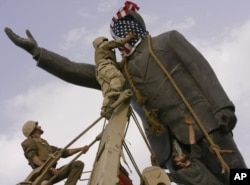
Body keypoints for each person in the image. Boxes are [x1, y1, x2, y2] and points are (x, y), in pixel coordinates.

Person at [4, 1, 247, 184]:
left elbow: (201, 69)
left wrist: (222, 106)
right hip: (170, 149)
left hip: (205, 126)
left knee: (237, 173)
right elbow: (77, 70)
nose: (118, 38)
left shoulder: (167, 41)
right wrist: (39, 53)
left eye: (120, 31)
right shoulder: (121, 73)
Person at [151, 115, 223, 185]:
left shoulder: (195, 161)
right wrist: (153, 162)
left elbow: (192, 142)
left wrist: (190, 125)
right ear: (178, 163)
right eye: (178, 157)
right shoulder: (180, 175)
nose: (179, 154)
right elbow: (160, 176)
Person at [21, 120, 89, 185]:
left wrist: (80, 149)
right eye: (37, 126)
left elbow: (64, 152)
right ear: (32, 129)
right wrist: (48, 168)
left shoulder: (44, 144)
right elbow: (33, 157)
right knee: (45, 183)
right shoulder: (29, 141)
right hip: (42, 174)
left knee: (77, 164)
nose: (40, 127)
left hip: (53, 172)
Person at [92, 33, 134, 118]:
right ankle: (114, 98)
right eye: (105, 40)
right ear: (101, 42)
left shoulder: (102, 53)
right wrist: (127, 38)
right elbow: (114, 43)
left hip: (100, 71)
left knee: (108, 91)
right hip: (105, 65)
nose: (107, 41)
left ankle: (106, 109)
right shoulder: (103, 46)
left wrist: (123, 60)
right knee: (117, 77)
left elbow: (117, 66)